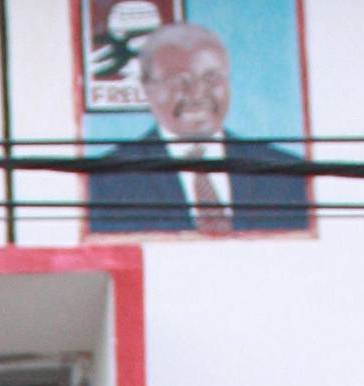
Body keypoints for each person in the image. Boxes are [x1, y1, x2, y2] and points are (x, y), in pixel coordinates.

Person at [83, 18, 313, 237]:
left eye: (212, 78)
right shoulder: (102, 185)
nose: (197, 94)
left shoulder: (289, 177)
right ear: (146, 88)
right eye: (178, 81)